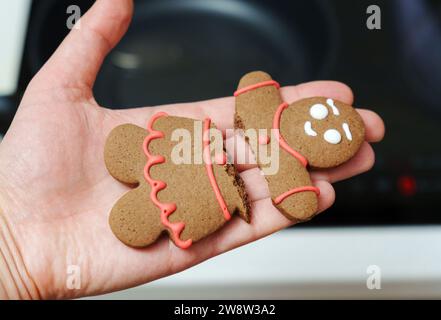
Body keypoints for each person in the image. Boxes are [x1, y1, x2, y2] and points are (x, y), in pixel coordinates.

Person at [0, 0, 384, 299]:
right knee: (134, 150)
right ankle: (141, 176)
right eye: (323, 111)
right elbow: (256, 89)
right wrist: (9, 241)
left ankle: (147, 204)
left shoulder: (285, 163)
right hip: (195, 153)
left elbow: (297, 195)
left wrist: (13, 252)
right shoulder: (267, 117)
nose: (322, 120)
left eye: (330, 132)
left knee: (146, 201)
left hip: (209, 192)